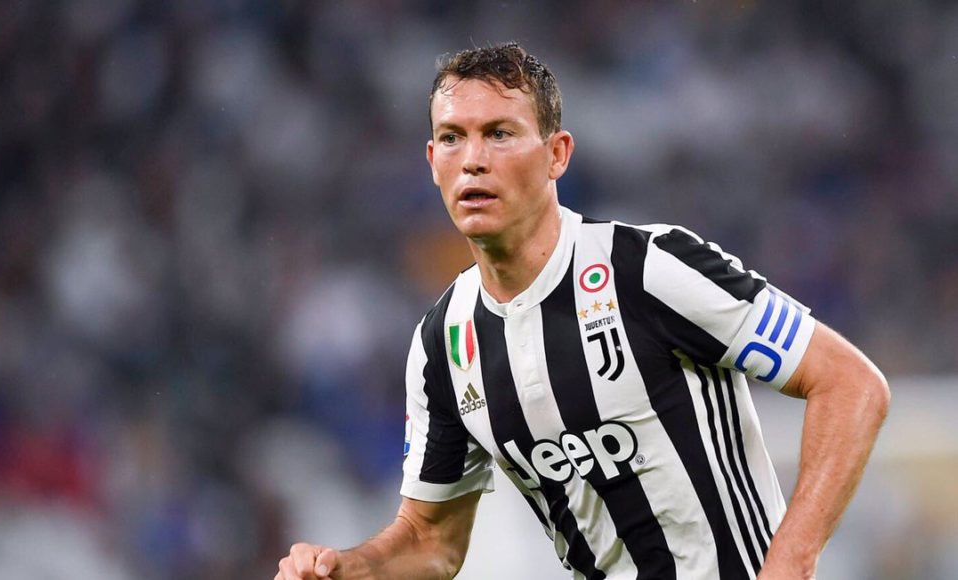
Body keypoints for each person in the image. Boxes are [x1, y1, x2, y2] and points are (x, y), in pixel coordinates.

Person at [275, 42, 889, 580]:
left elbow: (850, 383)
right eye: (453, 138)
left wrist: (789, 564)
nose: (473, 159)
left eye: (500, 133)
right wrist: (347, 568)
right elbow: (431, 540)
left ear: (557, 155)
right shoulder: (444, 343)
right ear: (432, 161)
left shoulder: (647, 269)